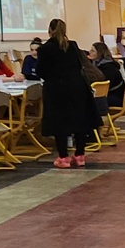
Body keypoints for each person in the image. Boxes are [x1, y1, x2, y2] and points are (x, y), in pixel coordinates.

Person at [36, 19, 101, 168]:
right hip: (77, 87)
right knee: (80, 120)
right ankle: (79, 156)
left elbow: (41, 71)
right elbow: (79, 65)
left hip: (56, 89)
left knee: (59, 122)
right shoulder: (72, 45)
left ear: (49, 30)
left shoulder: (45, 49)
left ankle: (63, 157)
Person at [88, 42, 125, 110]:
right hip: (111, 95)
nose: (89, 52)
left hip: (116, 97)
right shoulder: (98, 65)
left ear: (100, 53)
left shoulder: (109, 67)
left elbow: (103, 86)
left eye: (93, 51)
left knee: (87, 102)